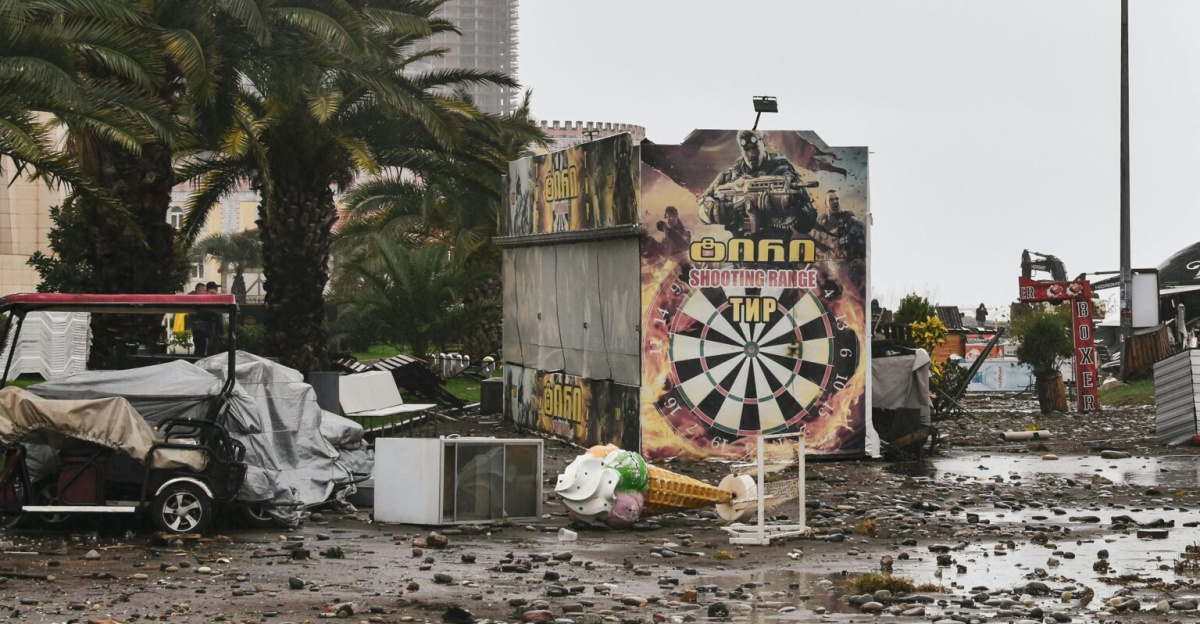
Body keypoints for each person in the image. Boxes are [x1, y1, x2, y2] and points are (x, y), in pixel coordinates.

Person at [697, 130, 818, 241]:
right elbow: (702, 210)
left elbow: (807, 223)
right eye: (747, 150)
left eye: (755, 148)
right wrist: (716, 211)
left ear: (763, 145)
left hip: (776, 248)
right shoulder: (732, 177)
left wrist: (791, 206)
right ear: (741, 151)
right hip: (741, 248)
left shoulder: (783, 172)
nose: (751, 154)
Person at [818, 190, 865, 259]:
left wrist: (848, 237)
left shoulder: (847, 215)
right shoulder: (821, 220)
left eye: (837, 199)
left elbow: (858, 225)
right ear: (826, 203)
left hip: (847, 258)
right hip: (828, 260)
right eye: (831, 199)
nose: (835, 201)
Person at [188, 283, 211, 356]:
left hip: (200, 329)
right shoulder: (193, 299)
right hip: (199, 330)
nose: (206, 293)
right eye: (205, 291)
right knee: (200, 350)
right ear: (199, 291)